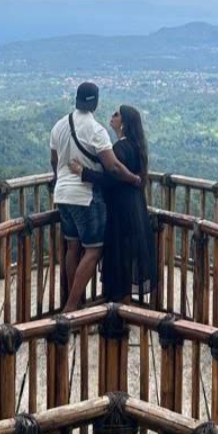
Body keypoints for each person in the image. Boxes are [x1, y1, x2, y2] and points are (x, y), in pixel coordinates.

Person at [50, 82, 141, 312]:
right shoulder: (96, 130)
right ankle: (71, 307)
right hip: (85, 196)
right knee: (93, 250)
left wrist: (59, 181)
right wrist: (133, 178)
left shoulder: (59, 125)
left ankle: (75, 303)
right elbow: (113, 167)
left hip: (62, 195)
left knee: (73, 248)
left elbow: (54, 161)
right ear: (95, 103)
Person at [69, 104, 156, 302]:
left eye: (116, 114)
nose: (112, 116)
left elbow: (111, 178)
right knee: (126, 257)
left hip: (120, 208)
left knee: (118, 258)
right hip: (135, 207)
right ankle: (125, 305)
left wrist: (83, 172)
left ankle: (116, 307)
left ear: (123, 123)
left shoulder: (119, 148)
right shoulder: (136, 148)